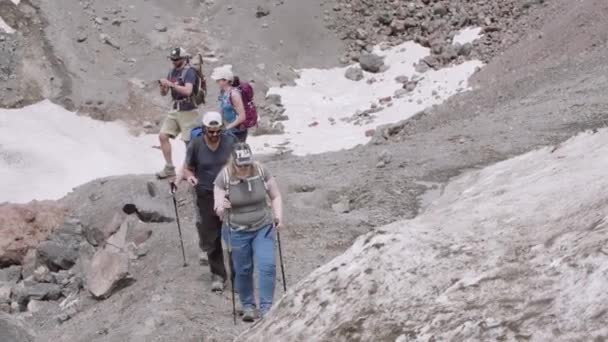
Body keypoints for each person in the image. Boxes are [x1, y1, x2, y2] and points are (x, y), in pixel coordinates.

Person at [214, 142, 284, 322]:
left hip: (263, 226)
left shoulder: (261, 171)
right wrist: (222, 206)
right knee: (243, 269)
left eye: (247, 164)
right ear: (234, 162)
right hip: (237, 230)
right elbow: (218, 203)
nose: (244, 168)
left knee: (267, 265)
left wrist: (279, 217)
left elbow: (275, 196)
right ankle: (248, 305)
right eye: (241, 165)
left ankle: (267, 308)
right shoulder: (225, 176)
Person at [183, 111, 236, 291]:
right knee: (211, 236)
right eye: (210, 131)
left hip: (230, 193)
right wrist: (190, 177)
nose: (214, 135)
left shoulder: (231, 143)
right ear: (204, 129)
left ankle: (237, 276)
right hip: (206, 194)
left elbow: (241, 166)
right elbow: (188, 168)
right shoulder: (196, 145)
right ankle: (218, 274)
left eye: (217, 131)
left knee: (234, 235)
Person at [157, 47, 201, 179]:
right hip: (175, 108)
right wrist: (163, 87)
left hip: (188, 110)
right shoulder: (172, 72)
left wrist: (171, 85)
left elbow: (188, 90)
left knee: (189, 142)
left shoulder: (190, 72)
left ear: (184, 58)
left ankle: (189, 169)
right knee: (163, 136)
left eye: (177, 59)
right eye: (173, 59)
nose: (174, 62)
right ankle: (169, 167)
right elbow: (164, 93)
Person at [211, 66, 248, 142]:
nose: (216, 82)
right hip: (229, 130)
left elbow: (242, 117)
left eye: (218, 80)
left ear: (226, 81)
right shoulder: (224, 93)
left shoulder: (234, 94)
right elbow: (222, 110)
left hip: (237, 131)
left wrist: (227, 128)